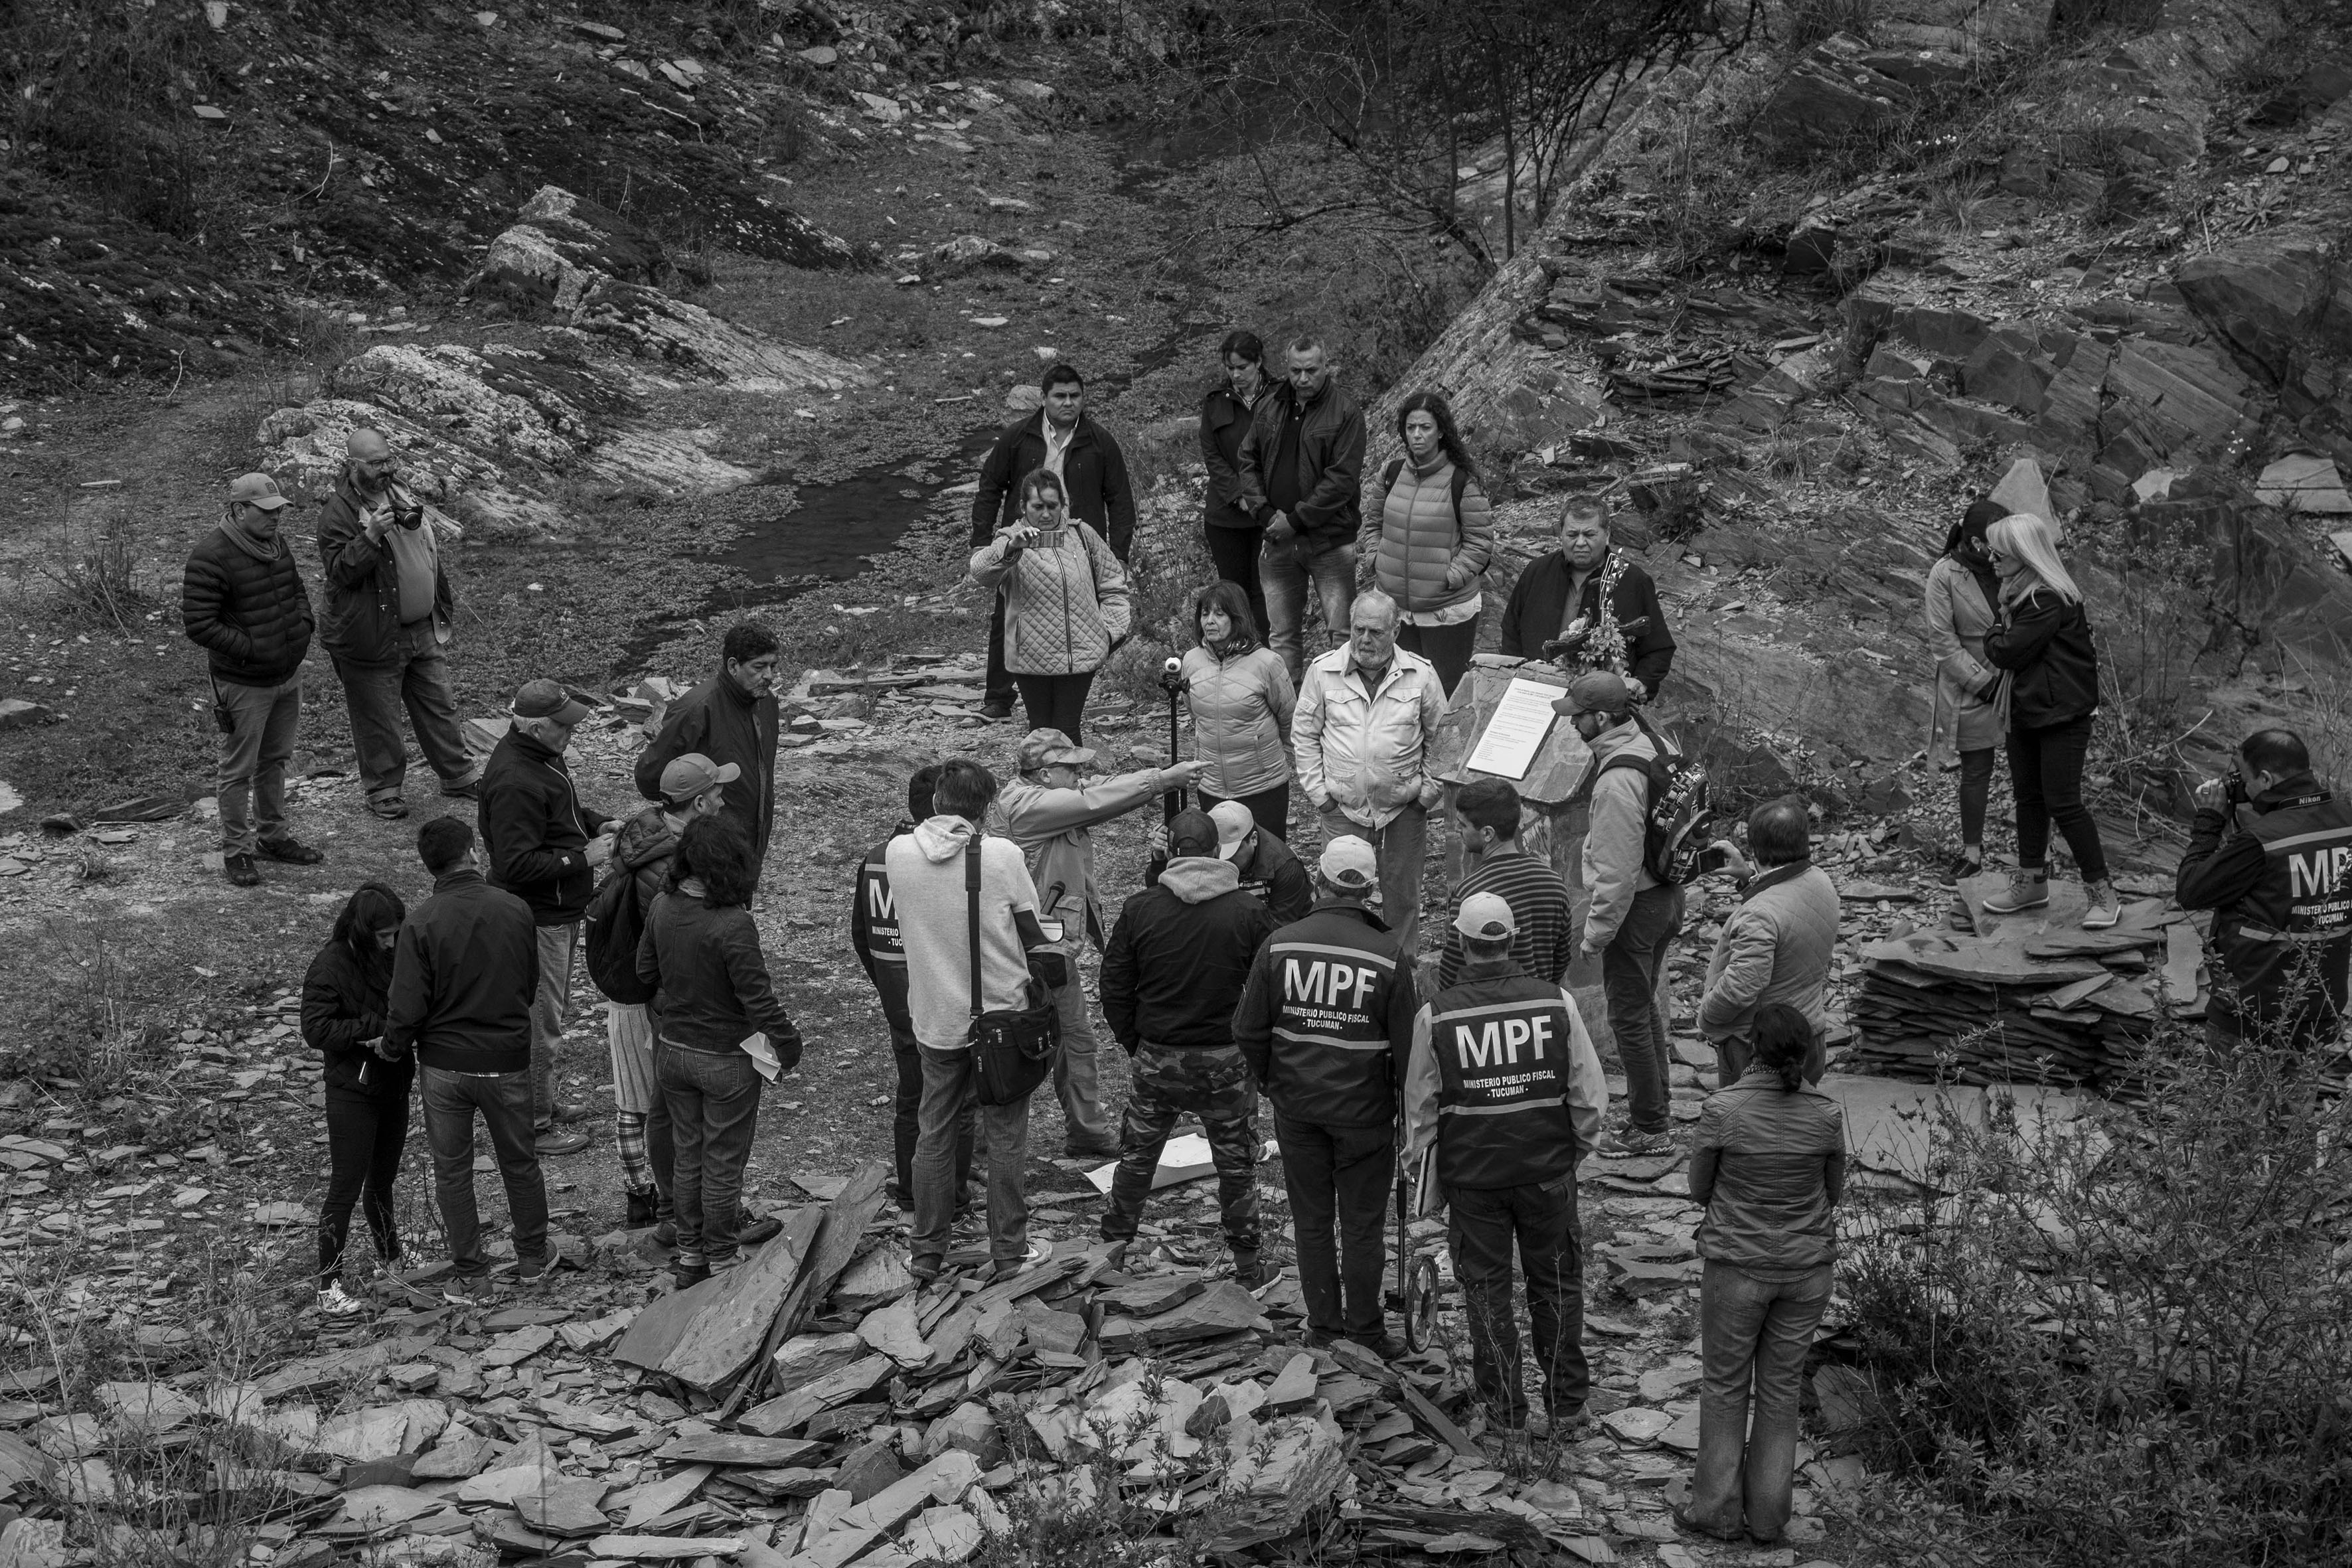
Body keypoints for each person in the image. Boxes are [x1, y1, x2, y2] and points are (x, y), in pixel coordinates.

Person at [1402, 894, 1608, 1429]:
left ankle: (1503, 1413)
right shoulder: (1556, 1003)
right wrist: (1572, 1155)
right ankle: (1566, 1407)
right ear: (1511, 941)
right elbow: (1589, 1097)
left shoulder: (1437, 1016)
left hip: (1474, 1180)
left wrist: (1426, 1177)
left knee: (1486, 1292)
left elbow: (1420, 1111)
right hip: (1546, 1175)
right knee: (1557, 1287)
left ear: (1462, 945)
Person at [1235, 837, 1417, 1351]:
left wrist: (1274, 1083)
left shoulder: (1282, 944)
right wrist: (1405, 1113)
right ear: (1371, 891)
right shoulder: (1387, 955)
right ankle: (1365, 1331)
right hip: (1365, 1114)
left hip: (1298, 1109)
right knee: (1362, 1226)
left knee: (1311, 1221)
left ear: (1319, 880)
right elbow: (1409, 1053)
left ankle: (1323, 1328)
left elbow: (1248, 1030)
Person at [887, 760, 1066, 1282]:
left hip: (936, 1016)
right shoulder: (1003, 856)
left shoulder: (897, 854)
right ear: (985, 809)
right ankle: (1009, 1250)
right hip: (1001, 1018)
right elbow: (1034, 930)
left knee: (934, 1131)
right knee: (1007, 1136)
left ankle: (926, 1251)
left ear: (938, 799)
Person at [1676, 1002, 1845, 1548]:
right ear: (1806, 1054)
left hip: (1736, 1267)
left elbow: (1699, 1188)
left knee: (1725, 1387)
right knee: (1779, 1393)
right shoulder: (1824, 1113)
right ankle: (1769, 1520)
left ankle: (1716, 1513)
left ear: (1752, 1048)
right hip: (1805, 1273)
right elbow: (1833, 1192)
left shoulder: (1722, 1109)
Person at [998, 729, 1200, 1158]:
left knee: (1072, 1040)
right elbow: (1090, 802)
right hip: (1026, 950)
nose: (1080, 775)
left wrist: (1161, 775)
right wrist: (1162, 783)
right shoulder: (1027, 806)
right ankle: (984, 1145)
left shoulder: (1045, 794)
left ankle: (1085, 1132)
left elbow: (1095, 790)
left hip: (1047, 945)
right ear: (1046, 774)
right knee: (1021, 1045)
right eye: (1071, 769)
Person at [1097, 808, 1279, 1282]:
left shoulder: (1141, 907)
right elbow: (1273, 987)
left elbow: (1114, 983)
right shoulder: (1248, 911)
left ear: (1171, 851)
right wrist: (1256, 1053)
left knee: (1137, 1158)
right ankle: (1247, 1265)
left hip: (1157, 1054)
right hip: (1225, 1058)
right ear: (1219, 850)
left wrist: (1134, 1042)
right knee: (1236, 1165)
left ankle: (1109, 1253)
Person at [635, 818, 805, 1286]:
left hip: (672, 1051)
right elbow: (759, 1000)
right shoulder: (733, 924)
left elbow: (644, 971)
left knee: (688, 1155)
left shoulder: (662, 906)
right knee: (723, 1161)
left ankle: (691, 1257)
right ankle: (724, 1256)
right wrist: (788, 1046)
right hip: (726, 1058)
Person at [386, 817, 548, 1305]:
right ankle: (533, 1260)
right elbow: (530, 980)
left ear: (429, 865)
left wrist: (393, 1048)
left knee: (452, 1171)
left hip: (445, 1066)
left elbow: (407, 1005)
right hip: (506, 1057)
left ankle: (474, 1275)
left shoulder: (421, 921)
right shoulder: (515, 908)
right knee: (519, 1162)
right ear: (473, 852)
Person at [315, 426, 480, 823]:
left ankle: (458, 776)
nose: (386, 469)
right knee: (378, 716)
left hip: (421, 626)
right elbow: (340, 572)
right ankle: (384, 789)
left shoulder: (401, 492)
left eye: (389, 460)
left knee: (439, 705)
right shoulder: (337, 514)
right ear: (353, 465)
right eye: (376, 464)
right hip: (371, 633)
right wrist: (370, 535)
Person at [478, 678, 615, 1156]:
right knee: (542, 1022)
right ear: (536, 727)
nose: (571, 733)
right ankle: (536, 1124)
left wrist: (597, 823)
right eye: (563, 726)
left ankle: (544, 1103)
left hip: (558, 910)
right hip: (538, 917)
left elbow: (563, 812)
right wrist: (585, 858)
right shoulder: (516, 778)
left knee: (549, 1015)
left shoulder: (539, 755)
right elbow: (513, 865)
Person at [604, 753, 734, 1234]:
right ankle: (684, 1211)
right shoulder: (668, 866)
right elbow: (669, 942)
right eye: (718, 793)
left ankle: (677, 1207)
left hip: (657, 994)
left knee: (661, 1101)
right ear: (698, 802)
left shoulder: (646, 832)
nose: (723, 800)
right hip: (671, 1000)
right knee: (669, 1106)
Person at [1557, 671, 1684, 1157]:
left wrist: (1594, 937)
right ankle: (1659, 1105)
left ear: (1603, 718)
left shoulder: (1615, 783)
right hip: (1668, 896)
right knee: (1643, 1005)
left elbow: (1616, 874)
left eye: (1579, 717)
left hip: (1637, 909)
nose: (1573, 726)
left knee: (1627, 1016)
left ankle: (1650, 1128)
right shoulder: (1651, 739)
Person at [972, 363, 1138, 719]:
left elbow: (1120, 499)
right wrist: (982, 541)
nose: (1068, 403)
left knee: (1076, 615)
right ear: (1044, 398)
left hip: (1079, 544)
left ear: (1083, 398)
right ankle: (998, 696)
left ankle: (1072, 688)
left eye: (1075, 396)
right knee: (1008, 615)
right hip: (1024, 542)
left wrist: (1119, 553)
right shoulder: (1018, 437)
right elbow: (989, 487)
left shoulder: (1100, 442)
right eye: (1060, 396)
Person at [182, 472, 322, 888]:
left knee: (275, 761)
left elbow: (296, 589)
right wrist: (253, 648)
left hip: (286, 675)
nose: (275, 518)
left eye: (278, 510)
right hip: (244, 684)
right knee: (238, 770)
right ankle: (237, 852)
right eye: (266, 511)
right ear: (239, 510)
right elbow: (199, 625)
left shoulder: (278, 546)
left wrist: (304, 625)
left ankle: (273, 839)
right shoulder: (210, 555)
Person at [2175, 728, 2352, 1054]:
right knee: (2295, 1105)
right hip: (2319, 1009)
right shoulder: (2346, 822)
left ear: (2267, 780)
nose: (2240, 786)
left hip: (2250, 1013)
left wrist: (2209, 823)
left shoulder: (2263, 841)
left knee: (2230, 1104)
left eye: (2243, 777)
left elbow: (2191, 890)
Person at [1981, 512, 2117, 929]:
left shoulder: (2045, 600)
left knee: (2063, 802)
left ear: (2024, 554)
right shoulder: (2021, 593)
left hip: (2061, 715)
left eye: (1999, 551)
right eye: (1991, 550)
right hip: (2030, 709)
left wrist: (1991, 632)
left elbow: (2005, 652)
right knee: (2029, 799)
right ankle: (2032, 881)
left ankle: (2102, 893)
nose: (1992, 559)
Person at [1294, 589, 1447, 958]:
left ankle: (1401, 969)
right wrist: (1321, 796)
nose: (1364, 639)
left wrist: (1426, 797)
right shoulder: (1323, 671)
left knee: (1402, 894)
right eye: (1358, 629)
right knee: (1338, 892)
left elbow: (1444, 739)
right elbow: (1303, 734)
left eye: (1375, 632)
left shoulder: (1421, 674)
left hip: (1404, 809)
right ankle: (1343, 961)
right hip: (1342, 809)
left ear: (1396, 630)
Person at [852, 763, 977, 1208]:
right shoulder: (960, 857)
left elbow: (861, 935)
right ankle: (952, 1195)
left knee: (911, 1096)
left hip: (899, 997)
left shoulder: (877, 856)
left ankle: (910, 1187)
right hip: (947, 1000)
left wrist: (886, 982)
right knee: (958, 1103)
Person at [301, 881, 411, 1319]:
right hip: (351, 1090)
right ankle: (328, 1286)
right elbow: (316, 1029)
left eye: (396, 933)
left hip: (394, 1081)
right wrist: (370, 1030)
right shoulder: (329, 964)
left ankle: (392, 1260)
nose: (392, 941)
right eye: (385, 935)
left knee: (382, 1181)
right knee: (344, 1189)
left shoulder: (395, 953)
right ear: (364, 930)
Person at [1239, 336, 1368, 682]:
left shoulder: (1345, 411)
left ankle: (1343, 710)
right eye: (1296, 370)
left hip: (1329, 541)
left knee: (1341, 633)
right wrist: (1264, 514)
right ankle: (1290, 722)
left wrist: (1294, 520)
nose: (1303, 379)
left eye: (1311, 370)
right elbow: (1247, 460)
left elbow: (1341, 480)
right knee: (1282, 637)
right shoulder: (1271, 405)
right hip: (1276, 539)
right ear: (1287, 367)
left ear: (1326, 366)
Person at [969, 469, 1133, 742]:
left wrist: (1109, 632)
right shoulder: (1010, 538)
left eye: (1052, 506)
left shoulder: (1082, 534)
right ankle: (1040, 784)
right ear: (1023, 507)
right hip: (1031, 657)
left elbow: (1114, 583)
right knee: (1041, 732)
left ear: (1062, 506)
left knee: (1067, 729)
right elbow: (980, 572)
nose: (1046, 514)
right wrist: (1012, 548)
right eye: (1038, 507)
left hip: (1081, 653)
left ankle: (1071, 784)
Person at [1697, 798, 1840, 1088]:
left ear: (1754, 849)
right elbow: (1784, 907)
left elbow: (1740, 989)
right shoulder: (1820, 880)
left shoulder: (1758, 914)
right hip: (1809, 1035)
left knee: (1746, 1129)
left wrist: (1707, 1018)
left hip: (1759, 1050)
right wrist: (1749, 878)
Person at [1360, 390, 1493, 695]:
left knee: (1444, 692)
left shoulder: (1461, 480)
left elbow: (1480, 542)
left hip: (1445, 612)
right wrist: (1375, 559)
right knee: (1399, 692)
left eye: (1425, 428)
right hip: (1395, 608)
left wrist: (1450, 577)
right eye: (1410, 428)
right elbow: (1373, 522)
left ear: (1442, 431)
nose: (1417, 435)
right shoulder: (1391, 474)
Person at [633, 621, 781, 872]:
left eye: (772, 666)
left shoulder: (767, 704)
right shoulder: (697, 708)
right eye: (759, 667)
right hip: (704, 846)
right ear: (733, 666)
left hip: (750, 840)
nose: (768, 675)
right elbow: (649, 779)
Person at [1496, 496, 1676, 701]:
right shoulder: (1537, 572)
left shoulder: (1632, 581)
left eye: (1589, 534)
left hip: (1601, 704)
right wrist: (1519, 676)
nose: (1580, 543)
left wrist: (1640, 685)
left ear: (1607, 535)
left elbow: (1659, 649)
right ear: (1561, 534)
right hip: (1535, 692)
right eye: (1572, 534)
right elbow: (1511, 630)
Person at [1923, 499, 2009, 882]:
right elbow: (1943, 645)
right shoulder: (1944, 575)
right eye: (1996, 542)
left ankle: (2037, 857)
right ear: (1976, 544)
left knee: (2031, 767)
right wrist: (1984, 685)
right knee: (1978, 770)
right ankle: (1972, 856)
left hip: (2018, 673)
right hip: (1972, 684)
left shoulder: (2008, 563)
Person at [1180, 579, 1296, 839]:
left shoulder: (1267, 663)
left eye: (1219, 614)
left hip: (1262, 786)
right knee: (1222, 861)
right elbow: (1196, 713)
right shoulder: (1191, 661)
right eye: (1205, 613)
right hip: (1211, 786)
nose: (1210, 621)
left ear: (1238, 617)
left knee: (1269, 860)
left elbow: (1289, 719)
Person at [1437, 779, 1575, 990]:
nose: (1457, 829)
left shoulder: (1469, 894)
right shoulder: (1554, 884)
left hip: (1484, 1009)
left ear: (1488, 834)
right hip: (1540, 1006)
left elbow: (1451, 972)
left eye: (1463, 825)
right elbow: (1562, 956)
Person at [1199, 331, 1273, 636]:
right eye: (1230, 368)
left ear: (1258, 362)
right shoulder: (1216, 402)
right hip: (1226, 517)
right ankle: (1238, 651)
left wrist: (1259, 498)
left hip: (1269, 512)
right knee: (1233, 593)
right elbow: (1212, 454)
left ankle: (1267, 653)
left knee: (1265, 590)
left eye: (1242, 367)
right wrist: (1238, 494)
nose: (1236, 374)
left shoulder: (1278, 396)